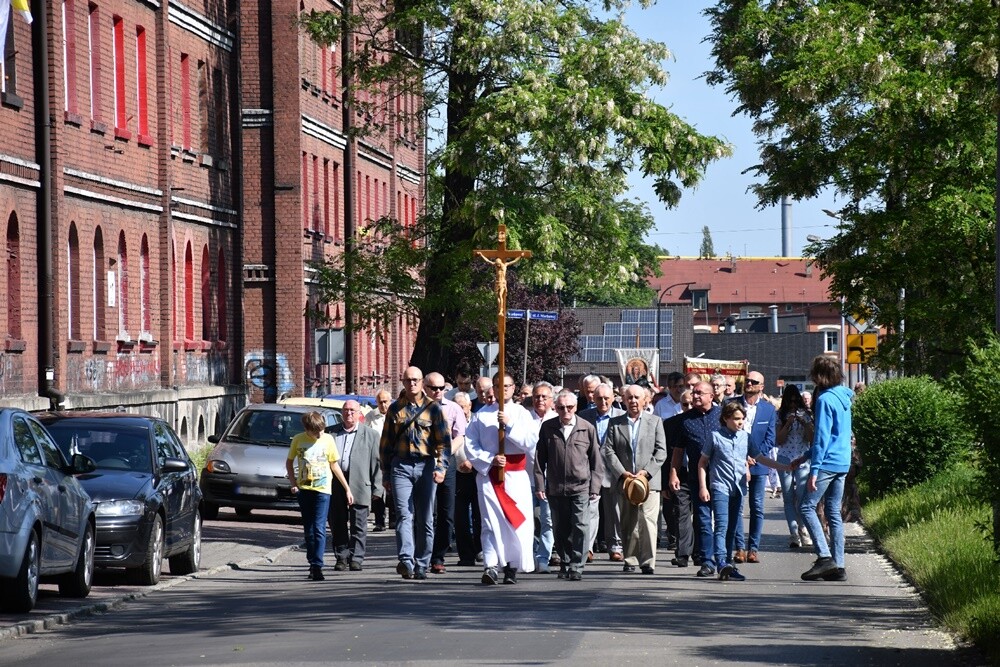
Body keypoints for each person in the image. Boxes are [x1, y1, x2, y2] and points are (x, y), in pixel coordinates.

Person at [698, 402, 789, 582]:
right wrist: (703, 486)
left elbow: (760, 457)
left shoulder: (745, 438)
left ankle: (730, 565)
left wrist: (784, 467)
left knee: (732, 527)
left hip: (738, 487)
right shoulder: (715, 437)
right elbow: (702, 463)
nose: (740, 422)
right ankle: (721, 562)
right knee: (722, 525)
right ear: (726, 419)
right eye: (736, 419)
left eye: (742, 419)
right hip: (720, 486)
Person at [379, 366, 452, 580]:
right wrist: (385, 474)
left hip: (426, 466)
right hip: (401, 466)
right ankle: (406, 561)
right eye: (408, 380)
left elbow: (444, 442)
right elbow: (385, 445)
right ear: (402, 382)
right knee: (404, 515)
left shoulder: (433, 408)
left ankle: (422, 563)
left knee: (425, 518)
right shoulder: (394, 409)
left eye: (416, 380)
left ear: (422, 382)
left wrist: (441, 468)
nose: (412, 384)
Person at [465, 373, 536, 584]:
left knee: (514, 522)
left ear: (514, 388)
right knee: (490, 521)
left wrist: (510, 424)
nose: (503, 389)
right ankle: (490, 565)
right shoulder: (481, 415)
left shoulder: (522, 413)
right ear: (492, 389)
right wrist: (490, 459)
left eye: (507, 386)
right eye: (498, 385)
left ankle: (512, 566)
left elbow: (530, 442)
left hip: (515, 476)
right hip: (490, 475)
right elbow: (471, 445)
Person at [534, 390, 604, 581]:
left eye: (570, 407)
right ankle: (565, 563)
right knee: (560, 528)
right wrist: (540, 484)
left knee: (580, 526)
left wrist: (595, 487)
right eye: (561, 407)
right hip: (556, 487)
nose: (565, 411)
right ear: (555, 408)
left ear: (576, 407)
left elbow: (596, 461)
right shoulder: (548, 427)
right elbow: (540, 459)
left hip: (580, 486)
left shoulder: (587, 428)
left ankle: (577, 566)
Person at [797, 355, 854, 582]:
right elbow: (836, 435)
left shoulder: (825, 400)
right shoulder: (845, 397)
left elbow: (821, 437)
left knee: (806, 506)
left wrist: (813, 469)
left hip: (827, 462)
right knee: (833, 512)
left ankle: (824, 557)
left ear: (819, 376)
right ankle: (839, 565)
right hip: (842, 461)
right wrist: (804, 456)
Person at [602, 384, 668, 574]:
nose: (633, 401)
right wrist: (622, 473)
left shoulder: (655, 422)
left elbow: (661, 451)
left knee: (648, 522)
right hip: (625, 481)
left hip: (648, 482)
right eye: (629, 397)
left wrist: (646, 472)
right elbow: (608, 450)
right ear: (623, 400)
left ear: (645, 400)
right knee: (628, 522)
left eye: (637, 397)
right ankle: (630, 560)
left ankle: (648, 562)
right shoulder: (615, 423)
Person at [285, 411, 355, 581]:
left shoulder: (328, 440)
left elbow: (334, 465)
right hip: (304, 489)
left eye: (321, 431)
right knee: (309, 530)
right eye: (316, 432)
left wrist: (347, 489)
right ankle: (312, 562)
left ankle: (317, 565)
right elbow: (289, 462)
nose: (319, 434)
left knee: (319, 528)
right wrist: (293, 484)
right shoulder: (298, 439)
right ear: (307, 429)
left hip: (323, 489)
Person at [669, 381, 721, 576]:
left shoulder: (723, 415)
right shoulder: (686, 421)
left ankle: (724, 559)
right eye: (694, 393)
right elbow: (678, 450)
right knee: (703, 519)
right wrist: (673, 473)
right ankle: (707, 562)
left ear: (711, 396)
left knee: (723, 521)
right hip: (697, 477)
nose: (696, 396)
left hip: (722, 476)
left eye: (700, 393)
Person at [726, 370, 777, 565]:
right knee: (737, 506)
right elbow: (726, 431)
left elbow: (770, 438)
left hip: (758, 465)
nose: (748, 383)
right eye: (747, 380)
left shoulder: (768, 410)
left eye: (753, 381)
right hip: (736, 464)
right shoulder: (732, 405)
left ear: (761, 387)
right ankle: (739, 548)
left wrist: (754, 457)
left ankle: (753, 548)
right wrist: (741, 457)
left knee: (757, 507)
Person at [327, 401, 381, 572]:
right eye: (346, 410)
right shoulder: (330, 433)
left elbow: (377, 463)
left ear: (359, 413)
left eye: (352, 410)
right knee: (338, 521)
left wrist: (378, 488)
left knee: (359, 524)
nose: (349, 413)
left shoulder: (371, 435)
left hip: (360, 482)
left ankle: (356, 558)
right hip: (336, 483)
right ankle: (341, 557)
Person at [425, 372, 468, 575]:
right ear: (425, 387)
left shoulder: (453, 408)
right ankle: (422, 554)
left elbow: (460, 434)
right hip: (423, 461)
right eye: (434, 388)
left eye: (442, 388)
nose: (438, 392)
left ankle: (438, 556)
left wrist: (445, 451)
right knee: (425, 512)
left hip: (446, 461)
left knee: (446, 512)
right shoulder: (418, 409)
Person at [579, 382, 625, 561]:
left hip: (614, 471)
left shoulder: (622, 416)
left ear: (613, 398)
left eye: (606, 398)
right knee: (590, 511)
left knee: (615, 511)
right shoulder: (584, 416)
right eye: (599, 398)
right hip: (590, 471)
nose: (603, 402)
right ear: (593, 398)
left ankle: (616, 547)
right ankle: (587, 548)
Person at [775, 384, 814, 549]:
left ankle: (803, 530)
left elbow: (811, 438)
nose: (792, 405)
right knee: (788, 497)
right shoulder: (779, 415)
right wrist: (787, 424)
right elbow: (779, 440)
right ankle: (793, 533)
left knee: (802, 495)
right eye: (789, 402)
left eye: (795, 401)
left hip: (802, 458)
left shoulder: (807, 415)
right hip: (785, 458)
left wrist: (805, 423)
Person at [526, 381, 558, 573]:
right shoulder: (524, 418)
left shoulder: (557, 418)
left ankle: (544, 557)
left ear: (551, 400)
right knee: (527, 521)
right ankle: (529, 556)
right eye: (536, 396)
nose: (540, 400)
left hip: (549, 480)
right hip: (526, 478)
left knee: (548, 521)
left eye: (544, 397)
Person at [368, 389, 393, 532]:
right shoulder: (370, 417)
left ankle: (394, 520)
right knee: (377, 490)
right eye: (380, 402)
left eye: (385, 402)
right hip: (376, 457)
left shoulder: (396, 414)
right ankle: (379, 521)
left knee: (393, 489)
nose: (383, 405)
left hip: (393, 457)